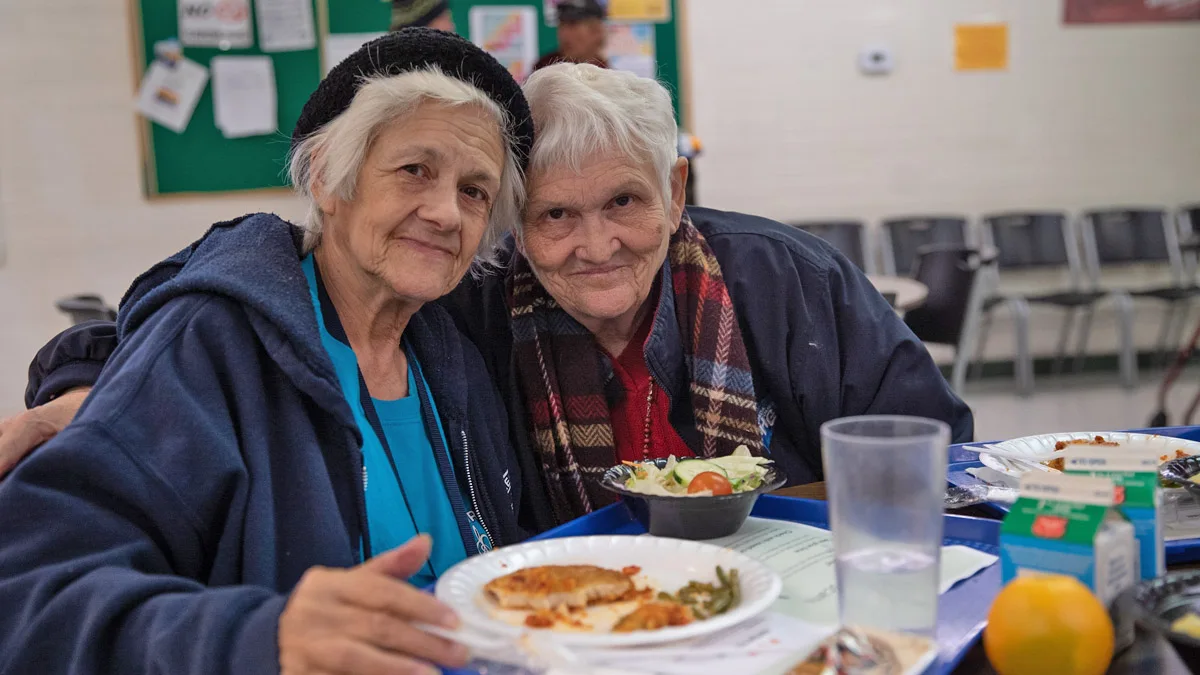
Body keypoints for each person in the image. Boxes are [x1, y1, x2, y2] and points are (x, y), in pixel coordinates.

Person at [0, 28, 535, 674]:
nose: (448, 212)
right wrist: (257, 637)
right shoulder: (213, 347)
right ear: (327, 178)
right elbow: (26, 588)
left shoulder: (454, 360)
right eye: (414, 169)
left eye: (474, 191)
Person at [534, 0, 608, 71]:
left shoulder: (607, 74)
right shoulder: (545, 67)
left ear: (596, 31)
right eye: (561, 25)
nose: (564, 34)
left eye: (572, 24)